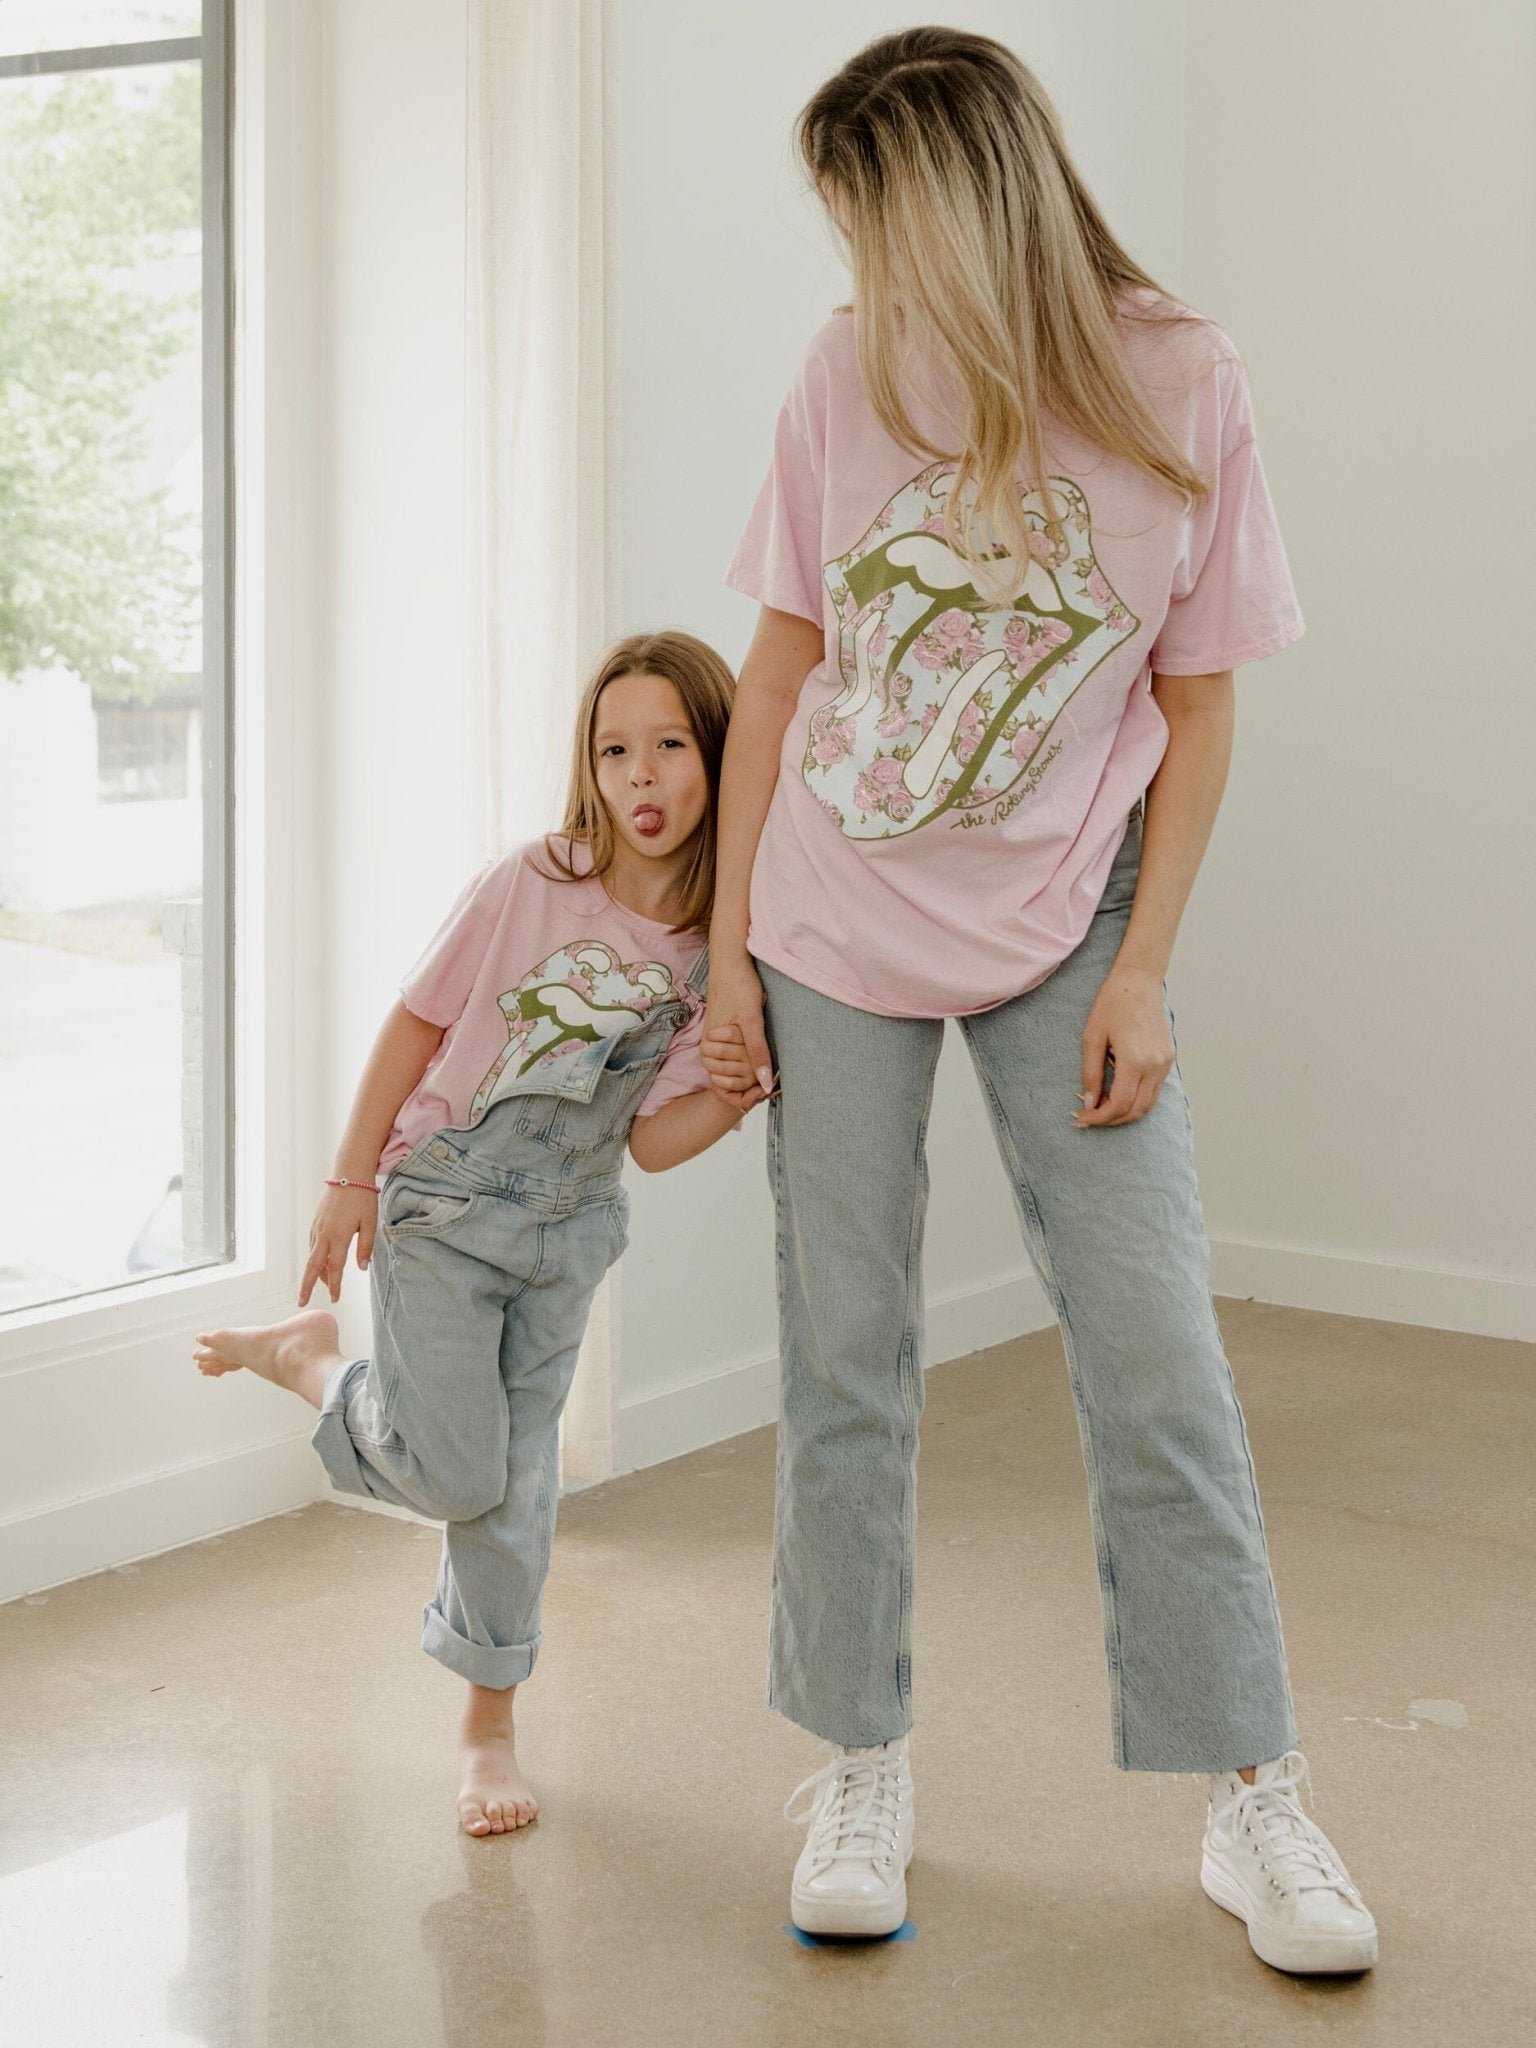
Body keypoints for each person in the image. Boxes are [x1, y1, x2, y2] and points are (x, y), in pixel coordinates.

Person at [702, 28, 1378, 1973]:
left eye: (867, 213)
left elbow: (1196, 700)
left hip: (1070, 911)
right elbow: (781, 669)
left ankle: (1252, 1793)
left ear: (955, 201)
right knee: (847, 1355)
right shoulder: (841, 371)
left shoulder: (1182, 375)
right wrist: (729, 948)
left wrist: (1144, 966)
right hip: (831, 908)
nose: (855, 260)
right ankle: (859, 1760)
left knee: (1156, 1356)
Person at [195, 631, 765, 1838]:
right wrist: (349, 1176)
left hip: (570, 1234)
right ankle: (313, 1365)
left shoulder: (716, 950)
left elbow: (654, 1142)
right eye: (614, 750)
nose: (641, 777)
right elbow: (417, 1019)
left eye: (670, 745)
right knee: (458, 1471)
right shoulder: (534, 879)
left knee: (515, 1485)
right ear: (588, 765)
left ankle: (487, 1726)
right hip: (444, 1207)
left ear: (721, 757)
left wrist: (741, 1085)